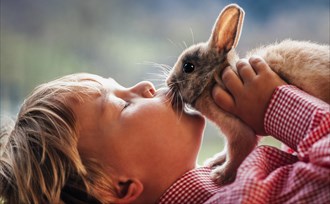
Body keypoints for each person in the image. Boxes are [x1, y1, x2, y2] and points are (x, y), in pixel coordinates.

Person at [0, 57, 329, 203]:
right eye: (122, 105)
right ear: (122, 188)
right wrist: (275, 105)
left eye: (122, 86)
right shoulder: (241, 198)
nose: (144, 86)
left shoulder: (224, 184)